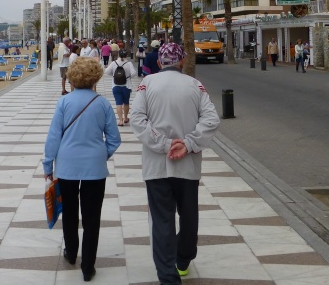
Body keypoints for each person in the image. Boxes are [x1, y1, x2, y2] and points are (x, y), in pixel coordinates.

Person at [130, 43, 220, 285]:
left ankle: (168, 277)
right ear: (182, 62)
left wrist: (162, 144)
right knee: (189, 216)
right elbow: (211, 118)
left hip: (156, 166)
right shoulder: (195, 85)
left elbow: (136, 118)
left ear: (159, 63)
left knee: (161, 221)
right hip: (187, 166)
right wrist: (188, 143)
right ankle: (184, 257)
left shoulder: (147, 84)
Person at [43, 58, 121, 282]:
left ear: (72, 77)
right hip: (95, 169)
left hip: (66, 166)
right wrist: (100, 154)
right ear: (95, 77)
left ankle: (71, 252)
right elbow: (114, 139)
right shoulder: (103, 104)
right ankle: (88, 266)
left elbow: (53, 137)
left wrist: (48, 164)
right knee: (92, 217)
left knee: (69, 212)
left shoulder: (64, 102)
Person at [104, 48, 138, 127]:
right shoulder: (129, 63)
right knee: (126, 102)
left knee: (118, 103)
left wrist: (114, 75)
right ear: (126, 55)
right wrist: (128, 76)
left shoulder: (114, 63)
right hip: (127, 85)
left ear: (119, 54)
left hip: (116, 85)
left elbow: (106, 72)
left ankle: (120, 120)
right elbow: (133, 73)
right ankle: (126, 118)